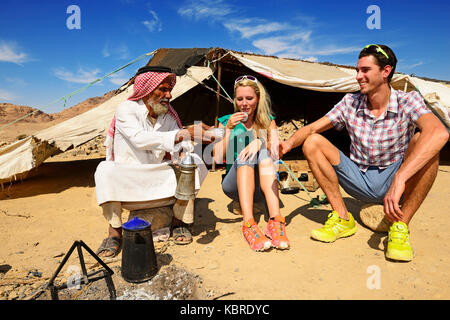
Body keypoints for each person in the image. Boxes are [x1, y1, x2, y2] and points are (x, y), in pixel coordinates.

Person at [279, 44, 449, 262]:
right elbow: (312, 128)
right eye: (357, 70)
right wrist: (288, 144)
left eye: (365, 70)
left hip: (395, 177)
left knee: (424, 141)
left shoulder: (408, 100)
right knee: (312, 142)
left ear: (386, 71)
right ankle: (343, 219)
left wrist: (399, 179)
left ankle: (400, 226)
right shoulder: (350, 102)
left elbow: (439, 133)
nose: (358, 76)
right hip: (358, 177)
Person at [94, 66, 209, 258]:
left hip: (158, 178)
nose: (168, 95)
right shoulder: (126, 109)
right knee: (104, 170)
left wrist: (182, 153)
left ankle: (179, 223)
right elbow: (139, 139)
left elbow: (182, 145)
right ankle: (114, 233)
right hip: (130, 179)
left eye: (169, 90)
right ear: (147, 89)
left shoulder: (168, 116)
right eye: (162, 89)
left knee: (193, 161)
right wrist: (182, 134)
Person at [213, 75, 290, 252]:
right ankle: (248, 223)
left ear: (258, 98)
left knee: (263, 151)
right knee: (244, 155)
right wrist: (228, 131)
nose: (244, 103)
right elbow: (217, 157)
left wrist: (260, 141)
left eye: (249, 98)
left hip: (261, 188)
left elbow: (276, 153)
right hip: (234, 186)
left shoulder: (268, 120)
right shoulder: (226, 121)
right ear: (234, 100)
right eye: (240, 99)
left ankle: (275, 221)